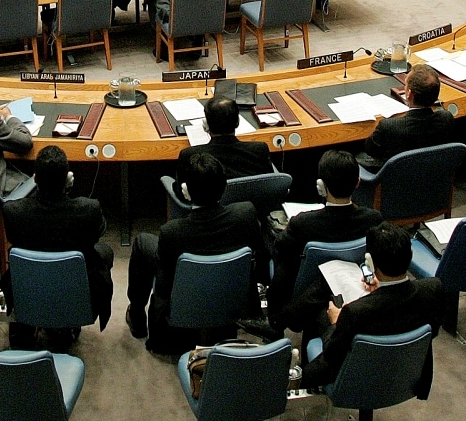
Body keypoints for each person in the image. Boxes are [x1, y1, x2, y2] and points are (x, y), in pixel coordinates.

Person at [127, 154, 266, 354]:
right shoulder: (246, 214)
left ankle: (137, 317)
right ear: (224, 186)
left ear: (185, 191)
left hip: (180, 310)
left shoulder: (172, 232)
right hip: (232, 302)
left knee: (142, 243)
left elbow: (165, 273)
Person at [299, 222, 439, 391]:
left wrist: (337, 321)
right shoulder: (434, 288)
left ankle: (301, 383)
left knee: (320, 317)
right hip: (406, 373)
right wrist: (383, 286)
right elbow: (432, 331)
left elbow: (332, 353)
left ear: (370, 263)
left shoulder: (354, 312)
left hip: (356, 379)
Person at [2, 147, 115, 350]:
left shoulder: (13, 212)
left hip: (29, 282)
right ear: (68, 179)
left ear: (35, 179)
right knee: (105, 252)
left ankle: (28, 316)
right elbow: (95, 235)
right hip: (74, 279)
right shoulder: (89, 209)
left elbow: (15, 238)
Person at [267, 150, 386, 331]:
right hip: (356, 289)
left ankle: (275, 320)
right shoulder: (374, 219)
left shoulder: (302, 223)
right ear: (358, 183)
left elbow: (281, 250)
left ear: (321, 186)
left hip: (305, 295)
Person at [356, 64, 455, 170]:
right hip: (433, 175)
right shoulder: (446, 118)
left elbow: (370, 149)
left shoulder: (388, 126)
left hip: (395, 180)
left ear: (409, 94)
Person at [175, 96, 274, 182]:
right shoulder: (260, 150)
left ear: (207, 125)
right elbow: (269, 183)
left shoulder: (190, 156)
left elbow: (180, 191)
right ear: (238, 122)